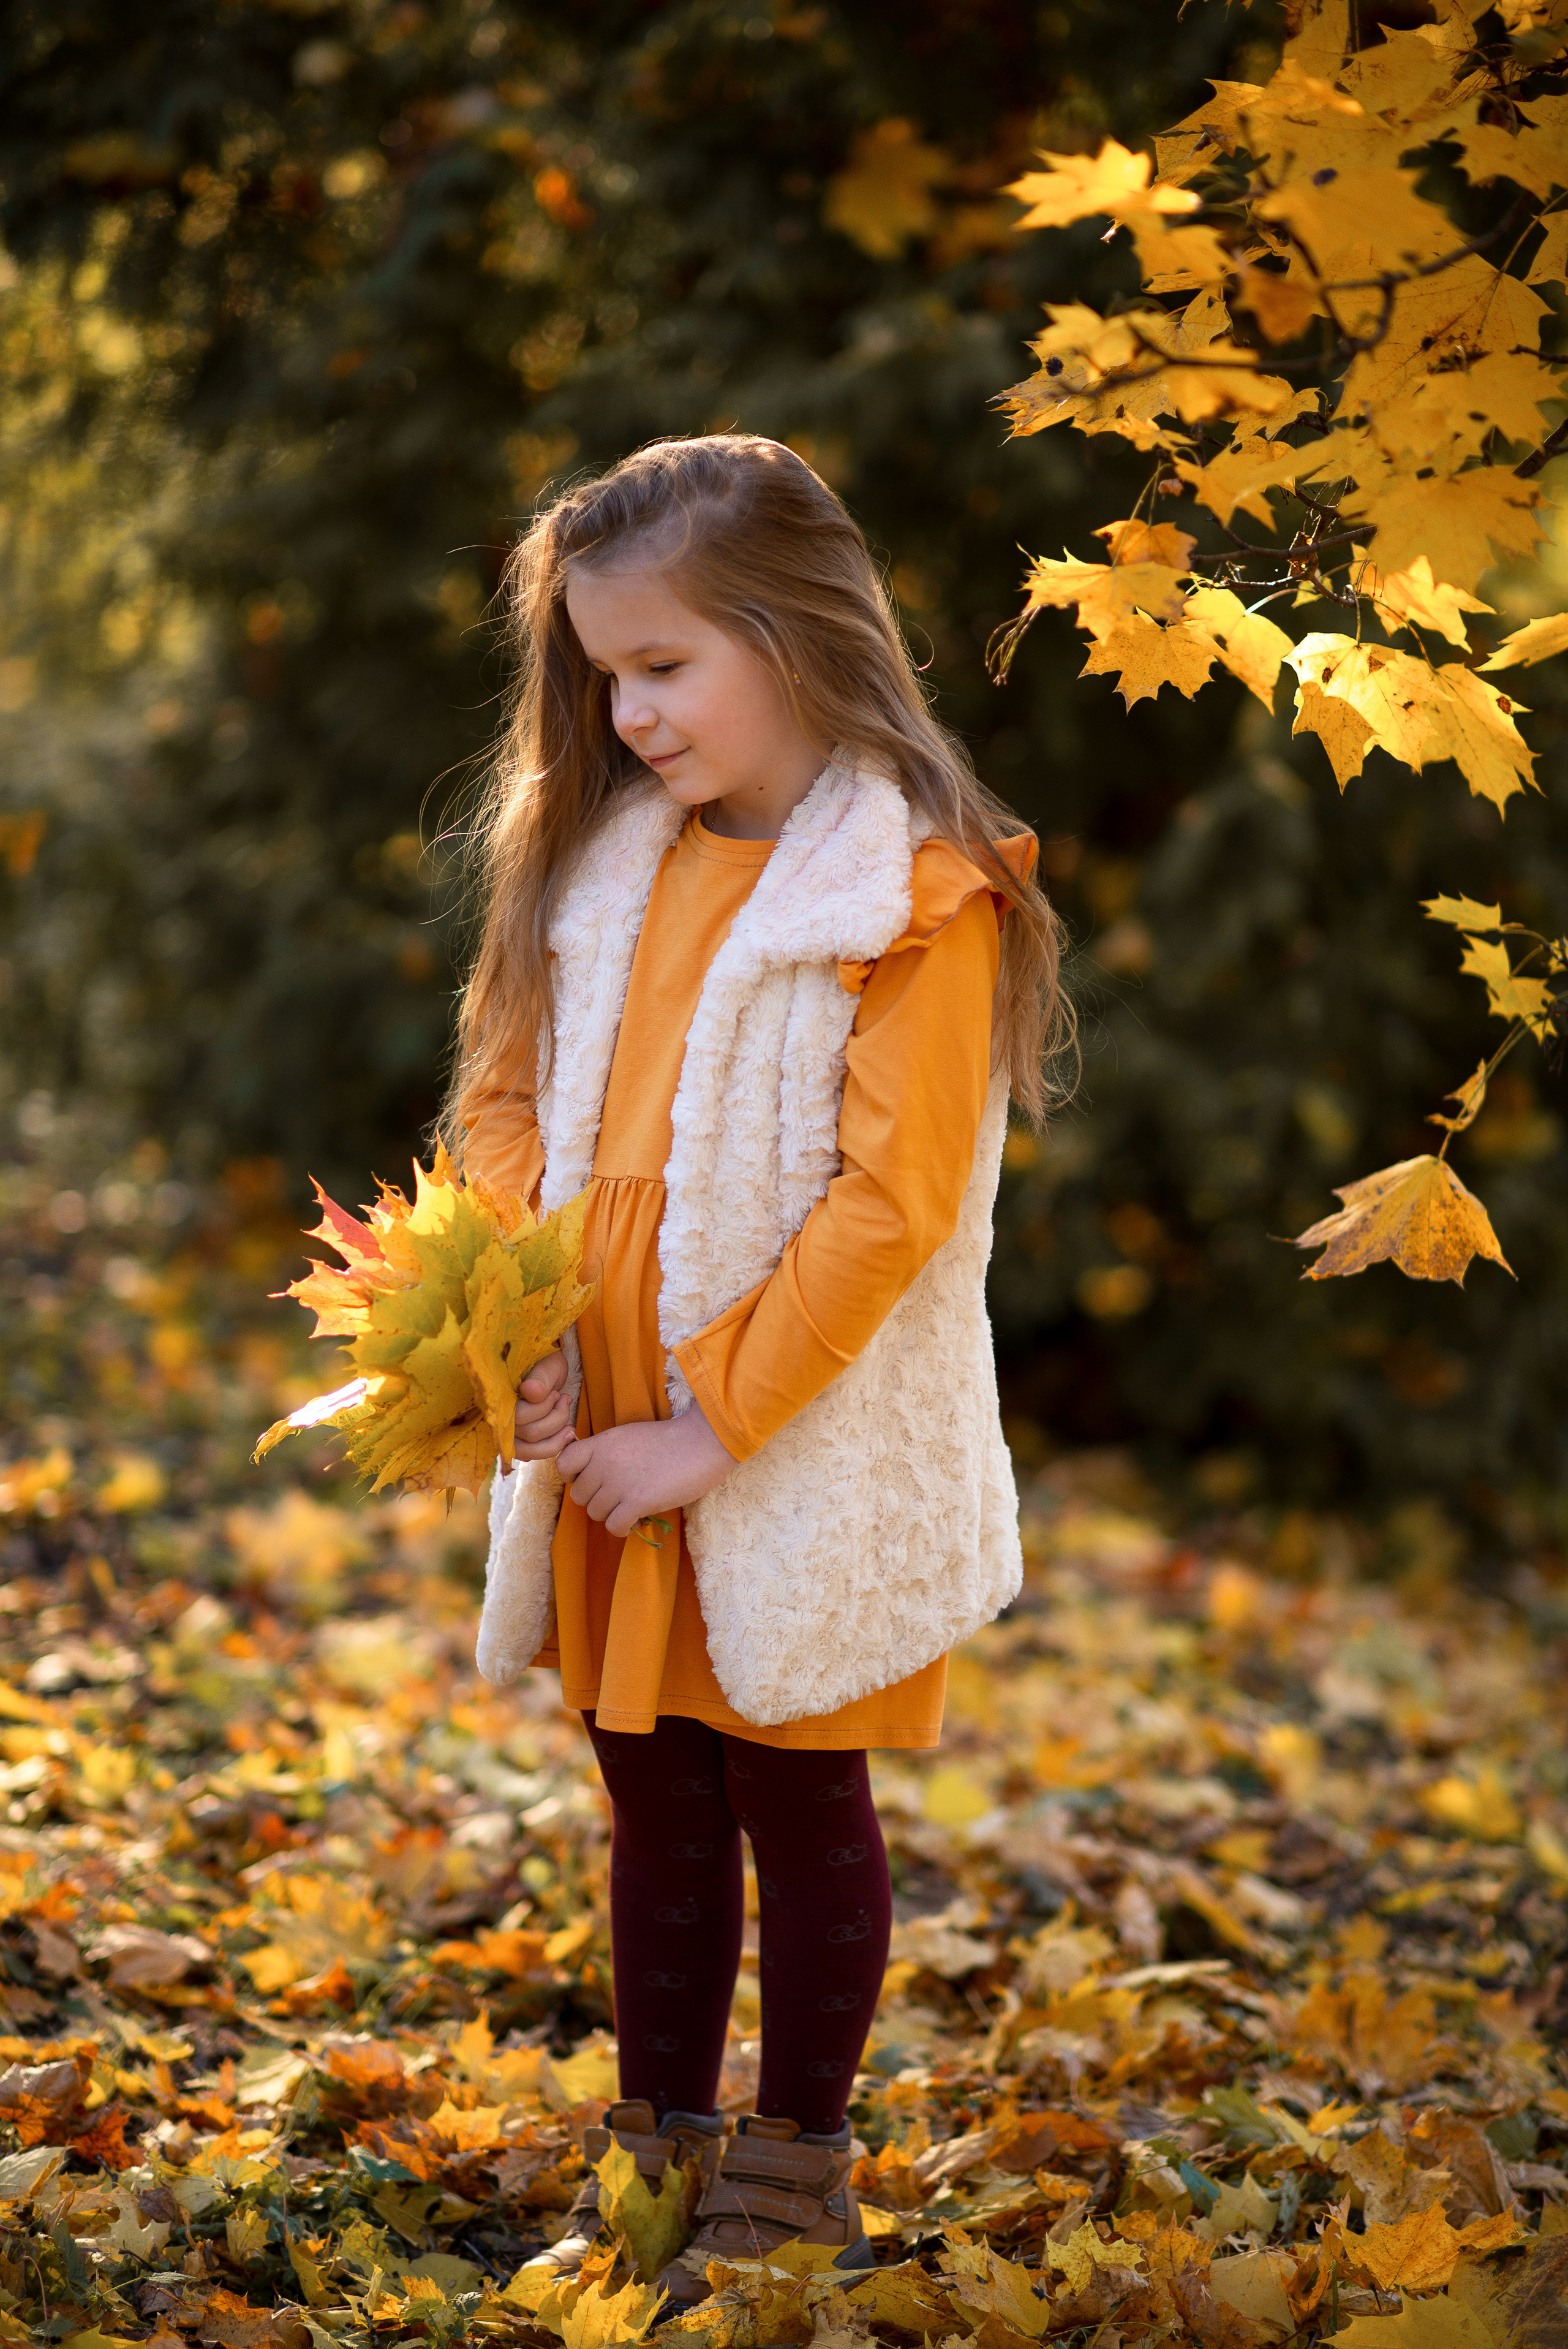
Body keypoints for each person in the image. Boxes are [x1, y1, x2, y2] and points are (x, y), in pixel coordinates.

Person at [445, 434, 1068, 2302]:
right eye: (601, 672)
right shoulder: (600, 861)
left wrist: (708, 1427)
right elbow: (501, 1096)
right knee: (648, 1790)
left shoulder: (915, 893)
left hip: (778, 1414)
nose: (624, 712)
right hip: (598, 1379)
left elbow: (889, 1208)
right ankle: (658, 2141)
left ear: (795, 636)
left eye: (662, 666)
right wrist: (525, 1340)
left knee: (797, 1793)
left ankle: (794, 2158)